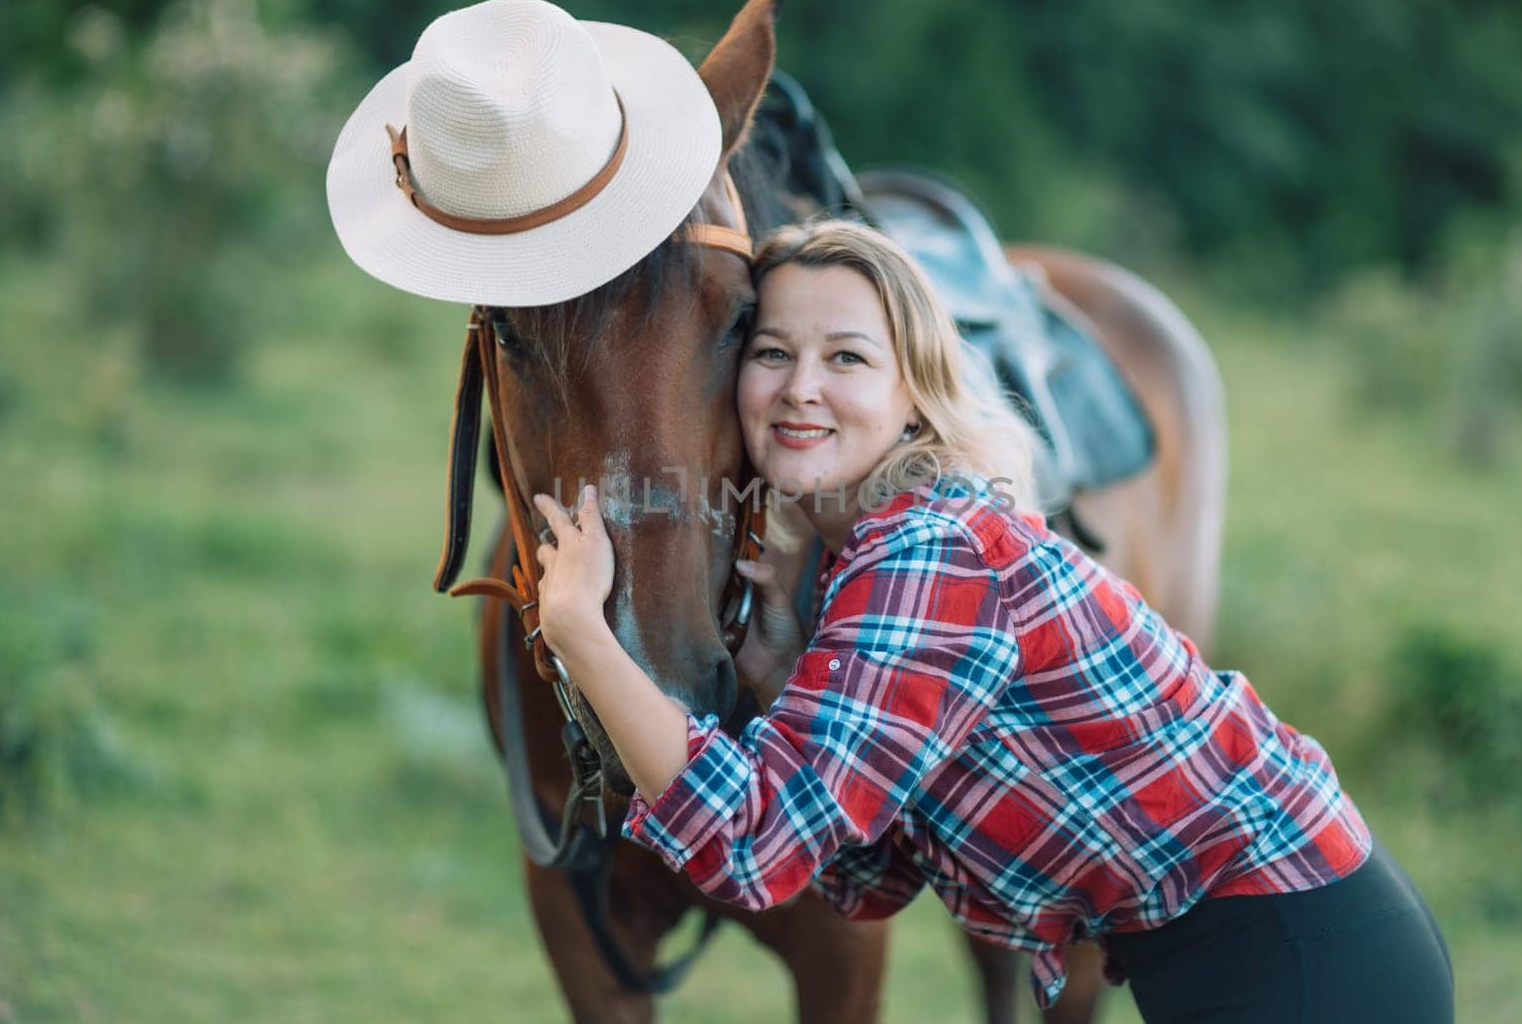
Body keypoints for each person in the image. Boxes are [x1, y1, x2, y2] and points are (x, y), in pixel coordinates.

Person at [530, 220, 1455, 1022]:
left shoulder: (931, 551)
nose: (801, 386)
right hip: (1261, 949)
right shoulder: (878, 555)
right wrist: (777, 663)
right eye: (773, 352)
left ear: (915, 391)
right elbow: (871, 877)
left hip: (1296, 955)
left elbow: (752, 845)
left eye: (847, 357)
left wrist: (580, 628)